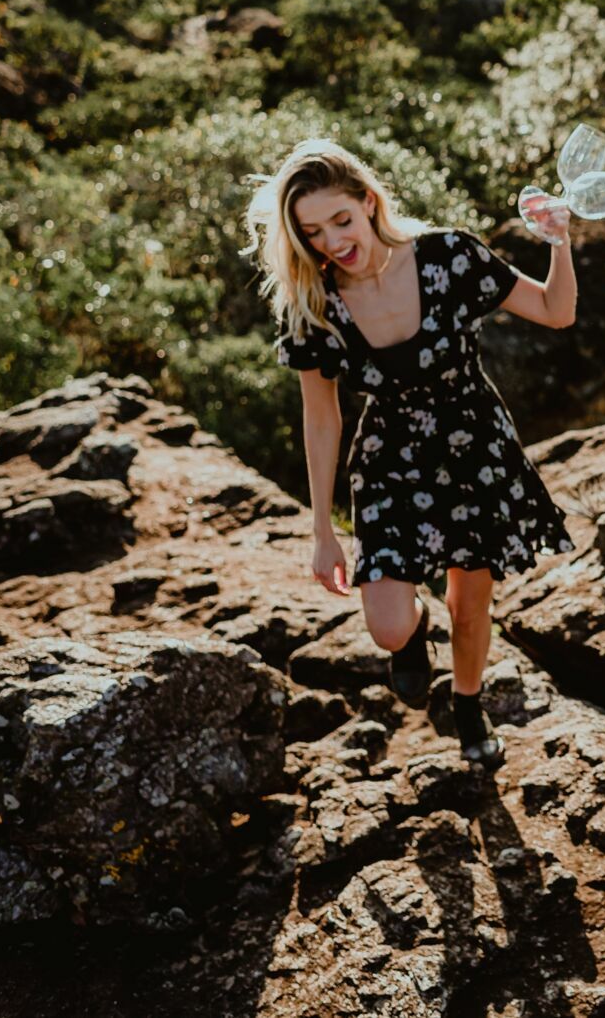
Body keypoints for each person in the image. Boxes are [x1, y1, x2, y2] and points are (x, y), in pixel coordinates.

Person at [244, 139, 579, 766]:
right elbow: (321, 417)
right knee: (388, 625)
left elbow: (555, 312)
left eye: (341, 220)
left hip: (474, 444)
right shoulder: (314, 304)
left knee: (471, 599)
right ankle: (414, 637)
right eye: (312, 232)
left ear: (369, 203)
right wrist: (321, 530)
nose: (332, 241)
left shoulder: (449, 256)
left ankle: (469, 703)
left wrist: (558, 240)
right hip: (389, 457)